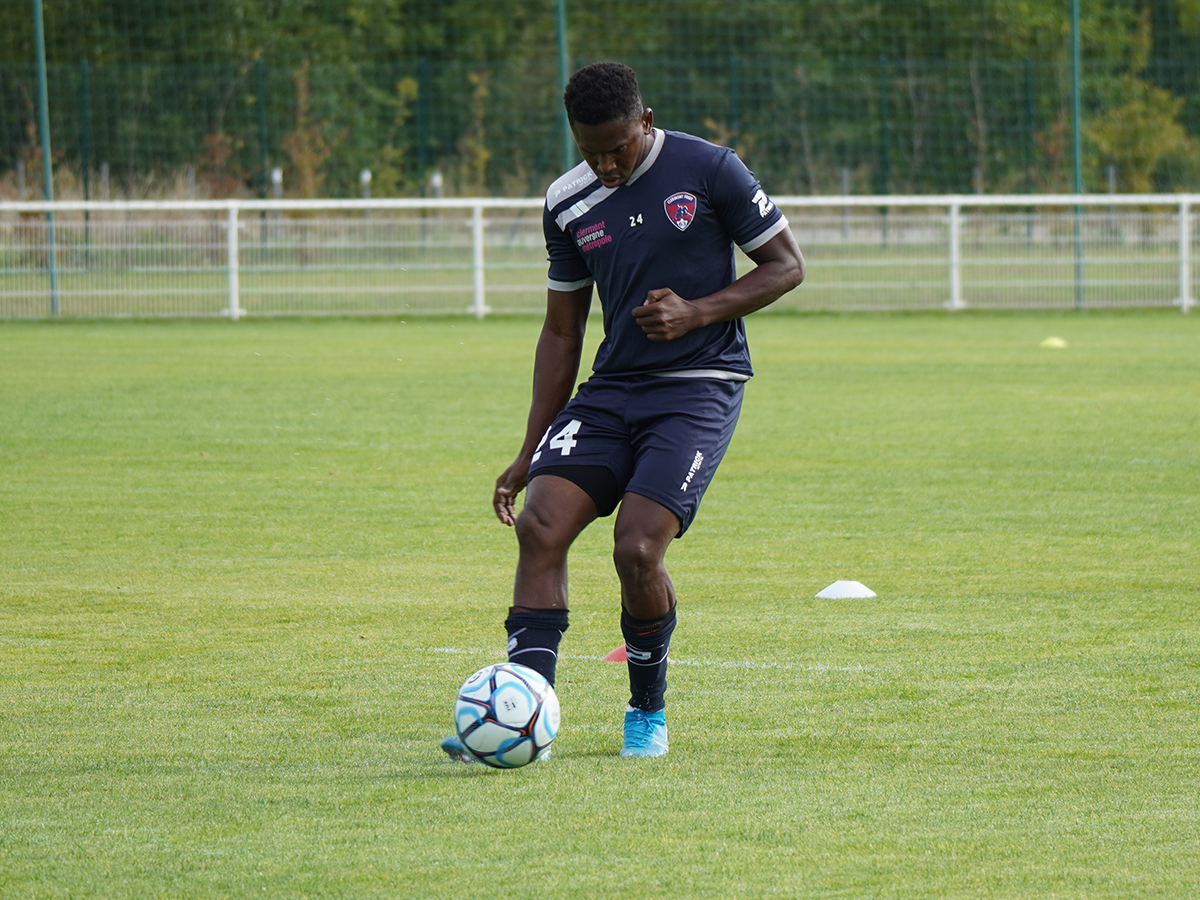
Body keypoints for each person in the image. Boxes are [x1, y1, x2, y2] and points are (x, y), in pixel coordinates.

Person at [442, 61, 804, 762]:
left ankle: (646, 711)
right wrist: (530, 448)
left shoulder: (712, 169)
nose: (606, 163)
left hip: (700, 384)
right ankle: (527, 716)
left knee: (637, 549)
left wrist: (697, 312)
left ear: (645, 121)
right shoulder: (567, 202)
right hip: (613, 391)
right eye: (590, 150)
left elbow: (786, 265)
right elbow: (561, 333)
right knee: (542, 525)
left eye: (619, 148)